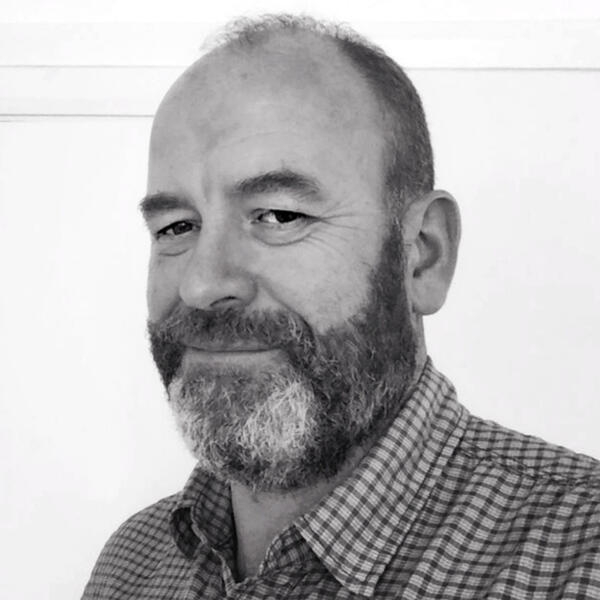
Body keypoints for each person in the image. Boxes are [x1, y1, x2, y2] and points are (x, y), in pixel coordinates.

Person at [82, 14, 600, 599]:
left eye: (280, 216)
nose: (202, 285)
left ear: (423, 256)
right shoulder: (132, 563)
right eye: (176, 227)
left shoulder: (581, 560)